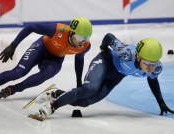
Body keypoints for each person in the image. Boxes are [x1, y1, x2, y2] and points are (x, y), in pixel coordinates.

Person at [35, 33, 174, 117]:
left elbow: (153, 80)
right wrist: (103, 50)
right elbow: (108, 37)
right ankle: (53, 105)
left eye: (154, 63)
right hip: (105, 62)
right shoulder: (125, 53)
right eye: (148, 62)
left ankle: (56, 93)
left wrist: (160, 102)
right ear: (138, 57)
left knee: (84, 102)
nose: (151, 67)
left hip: (116, 76)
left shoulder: (156, 68)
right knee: (90, 89)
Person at [0, 16, 92, 99]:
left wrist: (78, 82)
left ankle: (12, 89)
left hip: (54, 59)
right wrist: (13, 45)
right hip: (41, 48)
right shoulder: (57, 30)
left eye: (86, 38)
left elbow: (79, 59)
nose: (83, 42)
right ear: (71, 33)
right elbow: (31, 27)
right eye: (81, 37)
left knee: (49, 72)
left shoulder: (85, 46)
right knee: (18, 72)